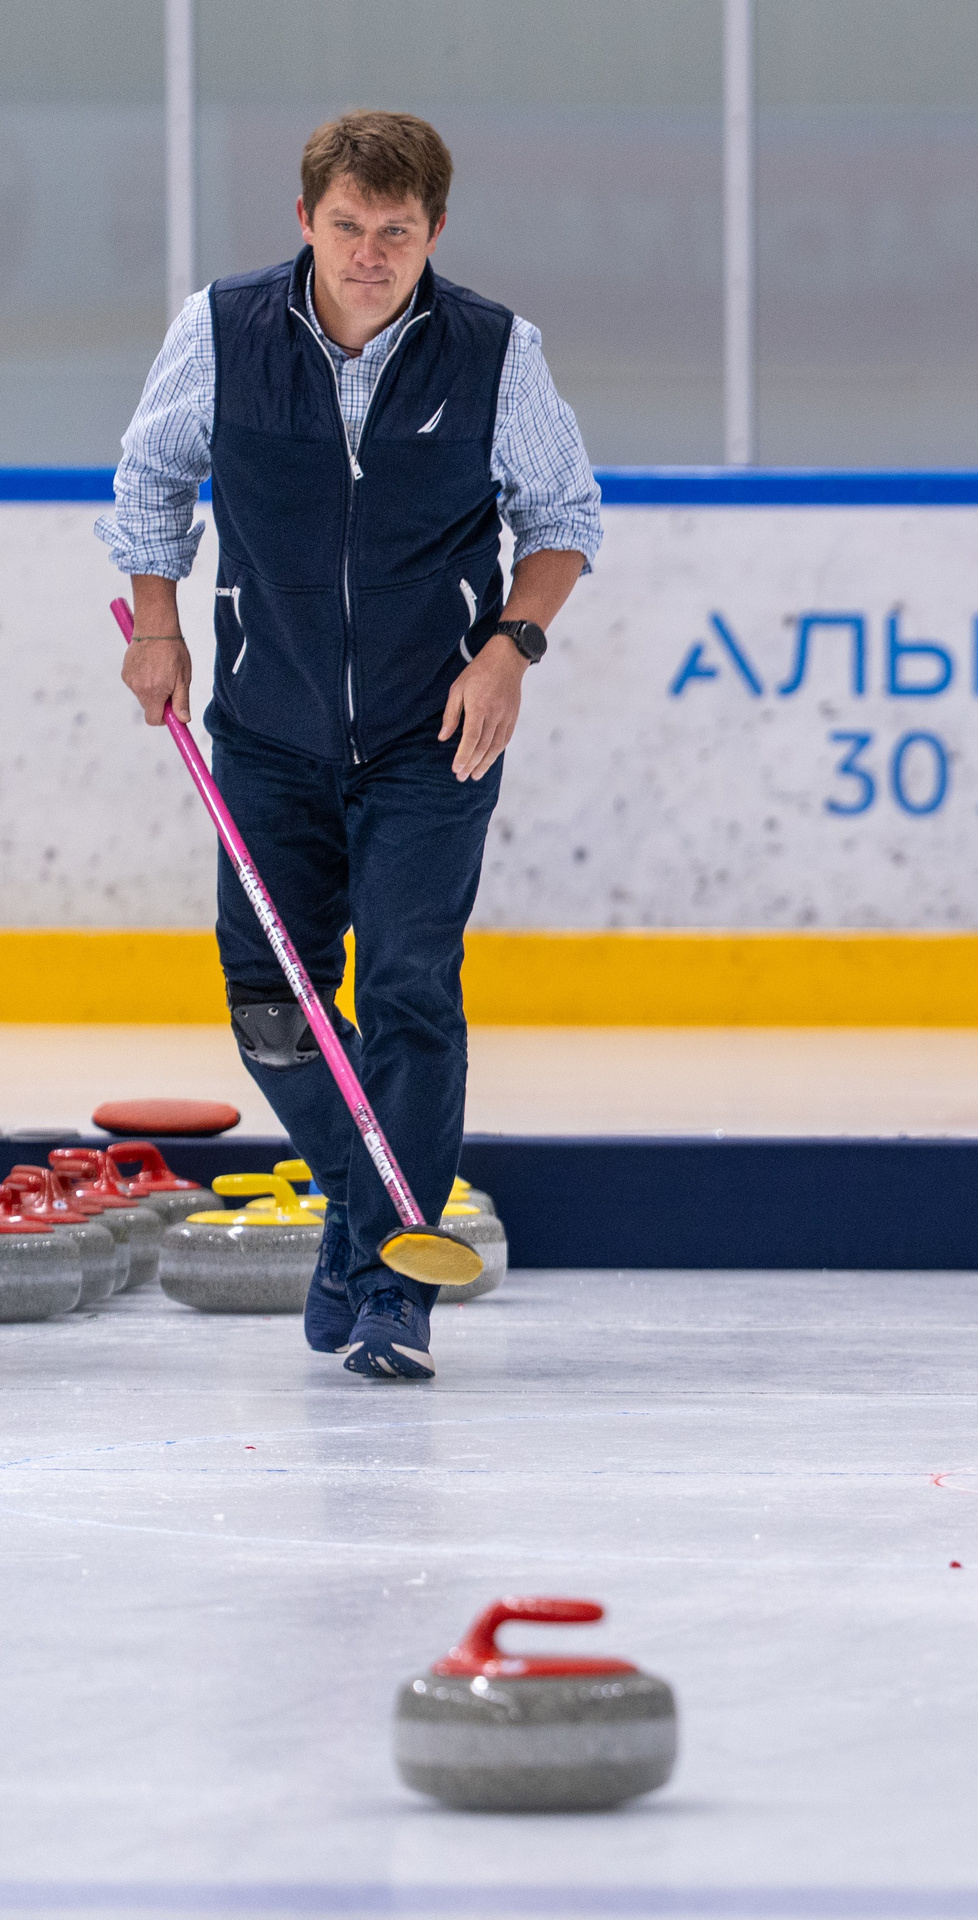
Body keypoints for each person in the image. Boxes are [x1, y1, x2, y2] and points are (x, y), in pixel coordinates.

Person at [99, 110, 602, 1378]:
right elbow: (152, 477)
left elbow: (564, 518)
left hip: (434, 733)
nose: (370, 254)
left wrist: (511, 651)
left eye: (397, 232)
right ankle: (368, 1219)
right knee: (271, 1005)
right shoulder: (221, 331)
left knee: (408, 996)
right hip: (265, 731)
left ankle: (392, 1292)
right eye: (346, 227)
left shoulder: (497, 351)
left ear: (435, 230)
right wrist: (158, 626)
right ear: (304, 220)